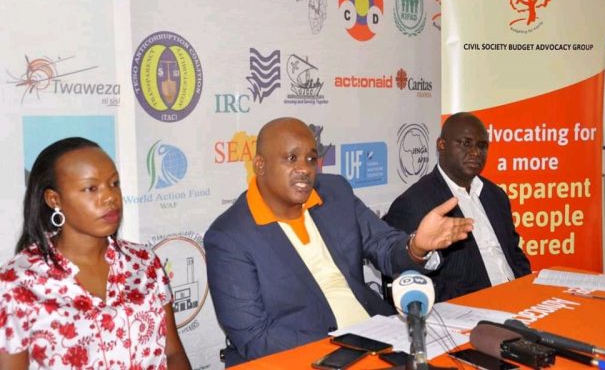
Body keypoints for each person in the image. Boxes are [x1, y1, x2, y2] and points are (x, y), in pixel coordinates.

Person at [204, 117, 473, 366]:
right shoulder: (229, 237)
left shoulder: (335, 192)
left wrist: (416, 246)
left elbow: (384, 245)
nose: (305, 169)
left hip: (379, 336)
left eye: (311, 158)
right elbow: (255, 337)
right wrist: (346, 348)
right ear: (260, 165)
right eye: (291, 158)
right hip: (309, 357)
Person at [0, 137, 192, 370]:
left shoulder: (143, 262)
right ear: (54, 199)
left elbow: (173, 353)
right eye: (91, 188)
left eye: (114, 183)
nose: (110, 197)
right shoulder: (16, 283)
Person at [385, 112, 531, 302]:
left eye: (482, 146)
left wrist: (526, 288)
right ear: (442, 145)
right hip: (471, 308)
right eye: (466, 143)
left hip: (520, 299)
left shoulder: (495, 195)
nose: (476, 152)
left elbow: (514, 253)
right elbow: (408, 277)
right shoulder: (413, 203)